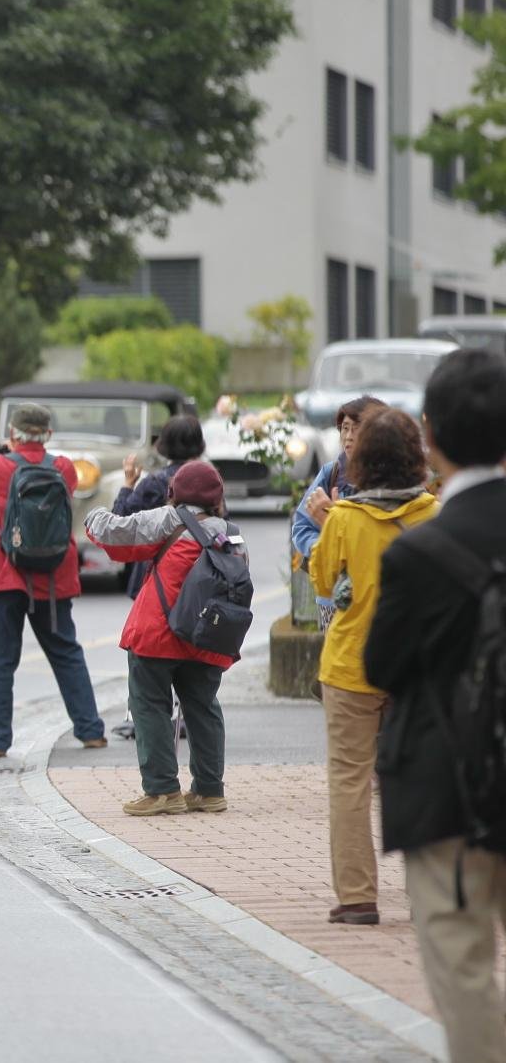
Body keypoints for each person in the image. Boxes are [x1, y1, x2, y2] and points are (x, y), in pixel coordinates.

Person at [364, 349, 506, 1062]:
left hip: (448, 788)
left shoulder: (417, 555)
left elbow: (381, 667)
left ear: (432, 436)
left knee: (463, 968)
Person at [308, 408, 438, 925]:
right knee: (421, 778)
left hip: (351, 664)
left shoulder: (344, 518)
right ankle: (427, 894)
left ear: (361, 460)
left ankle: (357, 897)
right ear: (415, 458)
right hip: (417, 667)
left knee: (349, 780)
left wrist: (327, 521)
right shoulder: (434, 515)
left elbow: (322, 581)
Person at [84, 461, 244, 816]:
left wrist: (92, 513)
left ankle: (162, 791)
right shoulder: (232, 534)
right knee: (203, 706)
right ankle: (209, 790)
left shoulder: (169, 520)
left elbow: (114, 536)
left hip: (160, 631)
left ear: (174, 492)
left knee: (149, 705)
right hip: (209, 635)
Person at [0, 403, 107, 758]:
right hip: (53, 577)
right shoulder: (64, 468)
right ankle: (91, 731)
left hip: (4, 576)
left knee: (0, 662)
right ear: (48, 434)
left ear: (11, 433)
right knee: (66, 653)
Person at [292, 395, 387, 628]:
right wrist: (326, 549)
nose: (349, 436)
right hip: (334, 597)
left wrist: (335, 523)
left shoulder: (393, 479)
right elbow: (301, 526)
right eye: (345, 428)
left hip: (378, 595)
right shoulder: (331, 473)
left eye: (357, 428)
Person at [114, 414, 207, 599]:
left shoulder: (154, 482)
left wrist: (128, 484)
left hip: (157, 579)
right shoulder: (209, 480)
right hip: (200, 574)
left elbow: (118, 522)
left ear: (164, 445)